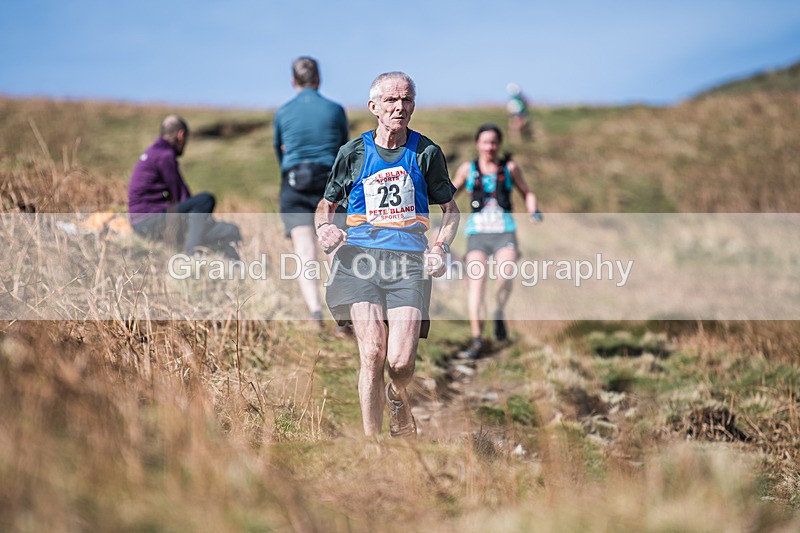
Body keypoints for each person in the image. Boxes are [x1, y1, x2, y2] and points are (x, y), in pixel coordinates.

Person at [315, 72, 460, 438]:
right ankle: (371, 447)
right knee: (372, 353)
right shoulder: (353, 153)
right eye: (392, 101)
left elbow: (452, 211)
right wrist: (325, 228)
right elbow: (326, 204)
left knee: (400, 363)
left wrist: (440, 247)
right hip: (358, 261)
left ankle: (398, 397)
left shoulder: (426, 153)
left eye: (407, 100)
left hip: (408, 266)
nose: (400, 107)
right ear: (374, 107)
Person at [451, 123, 539, 359]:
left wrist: (533, 210)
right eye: (485, 142)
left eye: (493, 142)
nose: (489, 146)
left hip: (504, 232)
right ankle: (478, 338)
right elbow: (449, 192)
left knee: (505, 276)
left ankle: (499, 310)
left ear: (499, 145)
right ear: (478, 144)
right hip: (478, 234)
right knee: (476, 285)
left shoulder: (509, 168)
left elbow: (527, 192)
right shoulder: (468, 169)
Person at [274, 57, 349, 327]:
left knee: (304, 250)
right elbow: (344, 150)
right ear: (319, 79)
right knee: (334, 246)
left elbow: (279, 152)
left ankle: (315, 312)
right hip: (329, 184)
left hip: (294, 183)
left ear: (293, 80)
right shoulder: (335, 110)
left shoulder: (282, 113)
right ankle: (342, 312)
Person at [128, 115, 241, 259]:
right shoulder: (165, 155)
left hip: (143, 222)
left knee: (228, 230)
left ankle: (230, 265)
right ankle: (192, 254)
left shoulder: (154, 152)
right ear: (181, 135)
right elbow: (182, 196)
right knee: (205, 200)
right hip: (151, 222)